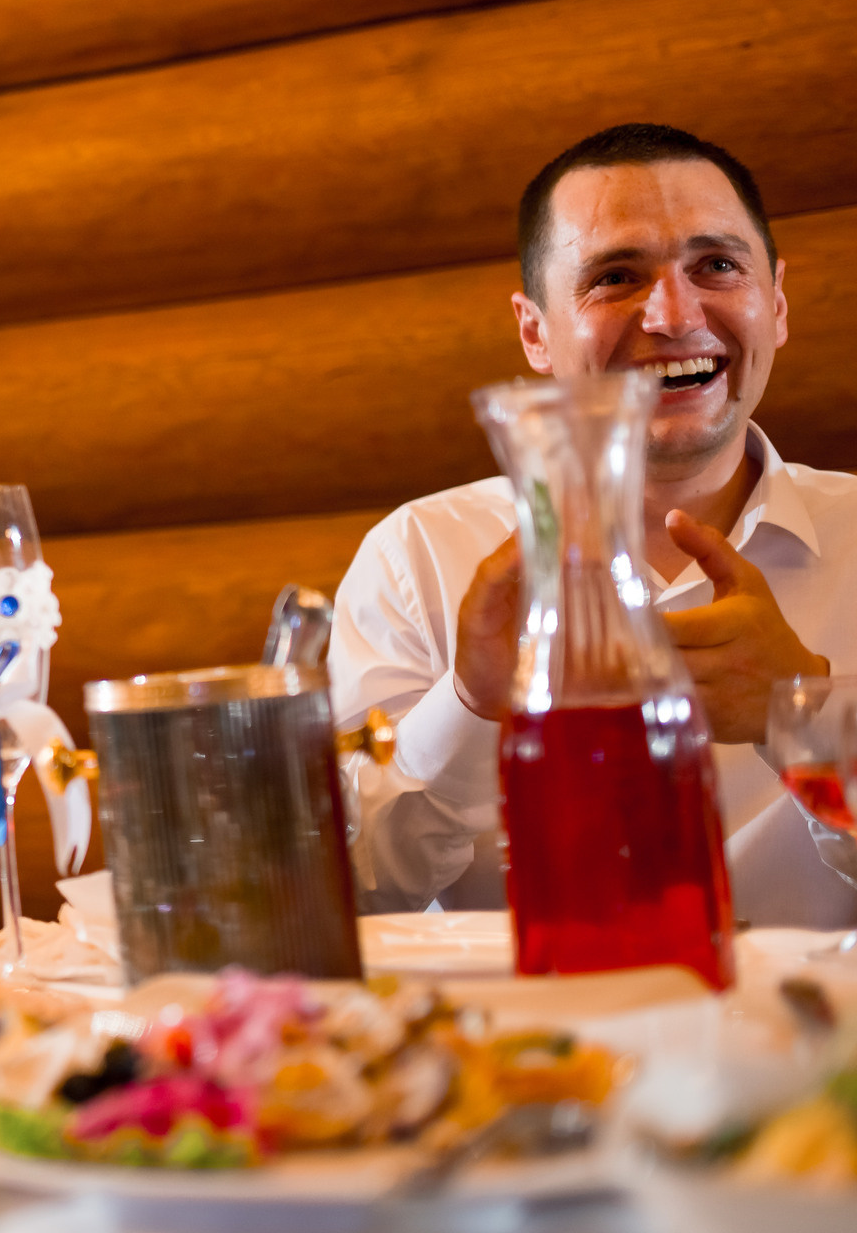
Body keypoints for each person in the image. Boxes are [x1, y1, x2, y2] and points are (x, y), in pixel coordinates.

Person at [332, 123, 857, 925]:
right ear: (535, 331)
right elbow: (348, 890)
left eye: (717, 265)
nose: (674, 315)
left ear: (776, 303)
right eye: (615, 276)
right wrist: (469, 704)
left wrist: (808, 717)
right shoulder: (418, 558)